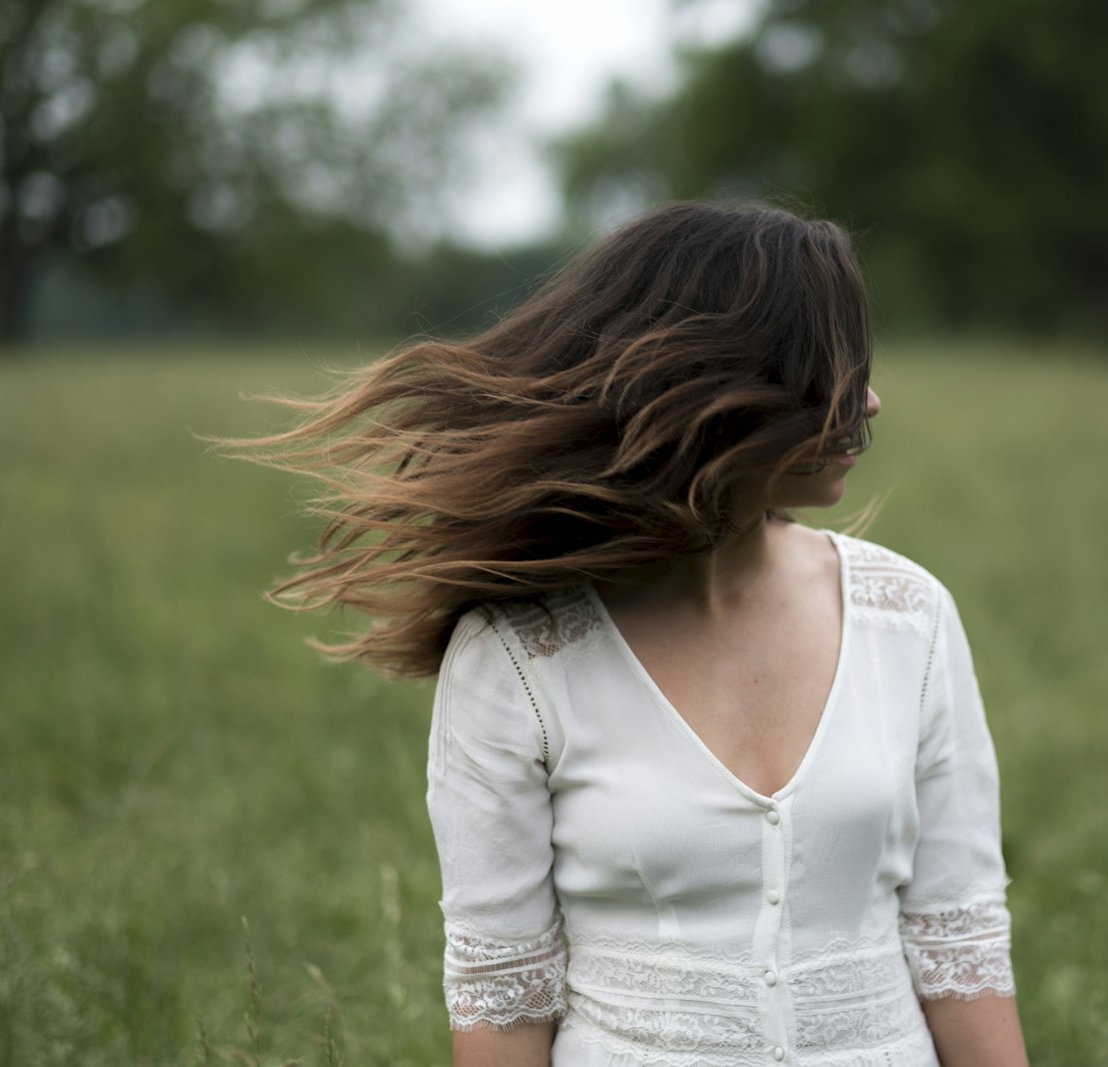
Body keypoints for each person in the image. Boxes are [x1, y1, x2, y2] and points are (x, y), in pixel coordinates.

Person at [224, 201, 1029, 1065]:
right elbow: (504, 1008)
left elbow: (962, 949)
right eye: (829, 368)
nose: (869, 398)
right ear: (724, 388)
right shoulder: (520, 659)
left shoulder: (907, 617)